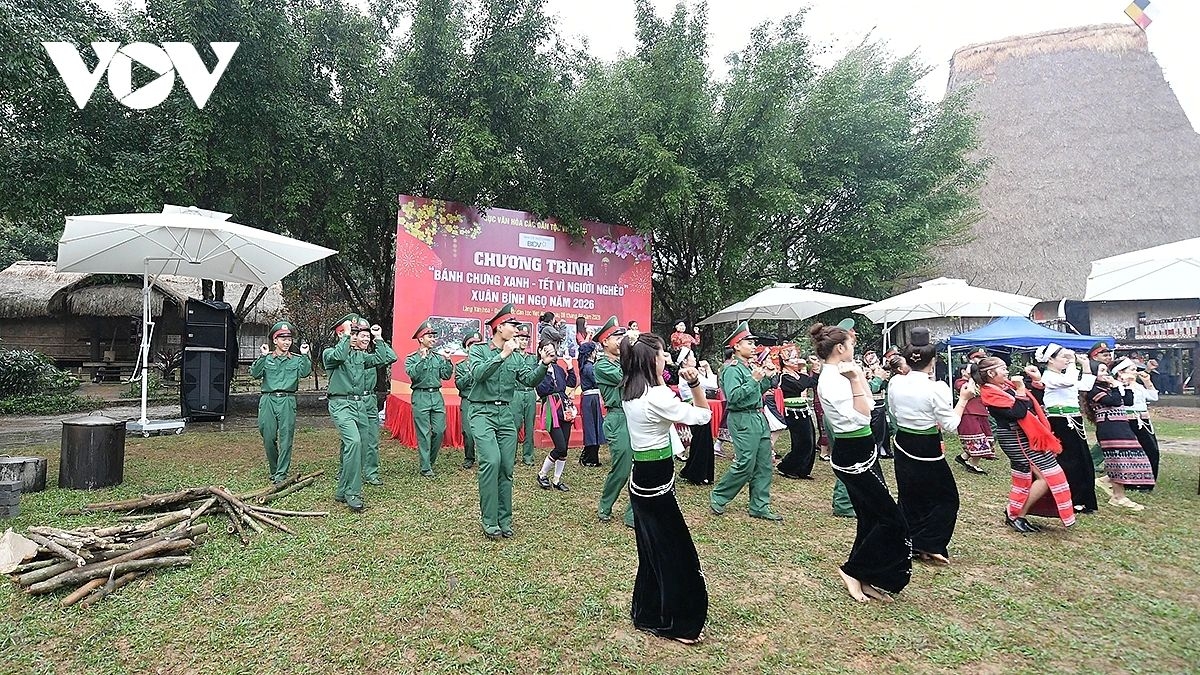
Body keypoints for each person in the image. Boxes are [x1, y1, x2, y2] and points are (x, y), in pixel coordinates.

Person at [620, 332, 712, 644]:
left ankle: (649, 611)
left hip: (643, 475)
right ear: (652, 360)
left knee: (652, 550)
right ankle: (680, 622)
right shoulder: (656, 397)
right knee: (675, 551)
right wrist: (697, 385)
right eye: (662, 354)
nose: (667, 358)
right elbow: (703, 416)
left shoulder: (632, 389)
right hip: (656, 479)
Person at [812, 320, 910, 602]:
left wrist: (858, 379)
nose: (854, 348)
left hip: (862, 446)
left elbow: (871, 402)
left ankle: (866, 576)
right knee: (891, 519)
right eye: (851, 344)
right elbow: (864, 413)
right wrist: (857, 380)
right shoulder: (831, 380)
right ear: (840, 348)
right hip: (852, 451)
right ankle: (853, 570)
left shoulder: (843, 372)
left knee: (870, 517)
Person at [466, 304, 554, 539]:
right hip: (481, 412)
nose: (516, 330)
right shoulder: (479, 350)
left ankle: (504, 520)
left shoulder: (516, 357)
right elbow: (477, 375)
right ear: (498, 327)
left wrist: (543, 364)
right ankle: (489, 520)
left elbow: (529, 379)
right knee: (491, 462)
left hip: (505, 414)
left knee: (506, 467)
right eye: (512, 326)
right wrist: (502, 354)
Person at [888, 328, 974, 564]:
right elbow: (950, 425)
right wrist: (964, 400)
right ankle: (929, 541)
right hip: (926, 444)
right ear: (934, 360)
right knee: (947, 498)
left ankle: (910, 539)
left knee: (909, 494)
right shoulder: (937, 388)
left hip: (904, 440)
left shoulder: (895, 383)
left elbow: (894, 412)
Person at [974, 356, 1076, 532]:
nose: (1007, 371)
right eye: (1003, 368)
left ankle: (1015, 512)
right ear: (991, 373)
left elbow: (1031, 403)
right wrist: (1021, 389)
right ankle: (1016, 514)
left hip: (1025, 437)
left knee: (1039, 476)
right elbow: (1018, 413)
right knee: (1045, 477)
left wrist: (1035, 381)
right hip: (1016, 439)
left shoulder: (1005, 387)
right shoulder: (989, 392)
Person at [709, 321, 783, 521]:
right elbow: (733, 397)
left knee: (764, 463)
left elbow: (757, 392)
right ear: (736, 347)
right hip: (742, 417)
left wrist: (767, 378)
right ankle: (719, 496)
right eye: (748, 342)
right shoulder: (732, 369)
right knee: (745, 463)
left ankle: (759, 505)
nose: (753, 346)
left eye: (753, 343)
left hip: (757, 416)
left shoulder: (750, 367)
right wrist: (755, 379)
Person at [1036, 344, 1098, 513]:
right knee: (1069, 461)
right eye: (1063, 357)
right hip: (1060, 421)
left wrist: (1085, 365)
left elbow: (1084, 386)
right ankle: (1070, 498)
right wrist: (1072, 363)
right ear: (1051, 359)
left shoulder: (1062, 376)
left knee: (1082, 459)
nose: (1067, 360)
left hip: (1074, 419)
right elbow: (1069, 381)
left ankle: (1084, 498)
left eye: (1067, 357)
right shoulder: (1048, 377)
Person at [249, 320, 312, 485]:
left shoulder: (297, 359)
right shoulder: (267, 358)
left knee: (286, 438)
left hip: (287, 400)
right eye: (283, 339)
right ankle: (275, 468)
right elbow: (255, 373)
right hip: (268, 399)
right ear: (275, 340)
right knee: (268, 436)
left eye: (289, 339)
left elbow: (305, 372)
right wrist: (262, 356)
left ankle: (281, 473)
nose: (287, 342)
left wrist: (305, 355)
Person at [322, 316, 375, 512]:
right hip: (340, 404)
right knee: (353, 442)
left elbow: (386, 358)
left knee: (358, 448)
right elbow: (338, 357)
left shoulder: (359, 356)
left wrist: (377, 338)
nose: (354, 337)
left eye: (355, 333)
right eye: (351, 333)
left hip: (359, 405)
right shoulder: (330, 353)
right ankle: (353, 493)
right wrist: (345, 338)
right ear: (340, 334)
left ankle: (342, 490)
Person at [1085, 361, 1155, 509]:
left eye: (1106, 371)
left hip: (1120, 425)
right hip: (1109, 427)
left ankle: (1108, 482)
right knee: (1117, 460)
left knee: (1131, 457)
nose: (1106, 374)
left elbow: (1128, 402)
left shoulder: (1108, 388)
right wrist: (1117, 386)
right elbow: (1115, 401)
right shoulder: (1093, 390)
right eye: (1102, 371)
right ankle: (1118, 496)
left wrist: (1128, 385)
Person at [595, 317, 635, 527]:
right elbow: (626, 377)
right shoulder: (602, 366)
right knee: (622, 467)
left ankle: (633, 513)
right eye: (616, 337)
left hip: (635, 415)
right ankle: (605, 505)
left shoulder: (625, 360)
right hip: (618, 417)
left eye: (622, 336)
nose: (621, 341)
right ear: (604, 342)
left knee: (640, 466)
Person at [404, 319, 452, 478]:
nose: (433, 340)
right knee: (424, 433)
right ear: (420, 339)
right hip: (421, 396)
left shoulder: (438, 357)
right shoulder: (412, 358)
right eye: (429, 337)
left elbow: (445, 375)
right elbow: (413, 375)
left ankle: (429, 461)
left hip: (436, 396)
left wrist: (447, 361)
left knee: (439, 430)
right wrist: (423, 360)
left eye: (434, 337)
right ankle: (425, 467)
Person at [535, 341, 578, 491]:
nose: (551, 352)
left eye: (553, 350)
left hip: (564, 409)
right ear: (540, 351)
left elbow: (570, 384)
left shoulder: (558, 369)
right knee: (559, 446)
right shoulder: (538, 370)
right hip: (551, 409)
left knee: (564, 447)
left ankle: (557, 479)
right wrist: (545, 367)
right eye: (547, 350)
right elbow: (543, 390)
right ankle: (542, 474)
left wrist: (570, 366)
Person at [360, 318, 398, 484]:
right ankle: (346, 470)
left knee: (372, 439)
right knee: (352, 440)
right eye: (361, 335)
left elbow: (392, 357)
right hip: (353, 399)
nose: (365, 339)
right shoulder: (346, 356)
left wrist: (379, 338)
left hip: (370, 399)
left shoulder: (372, 357)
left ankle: (371, 473)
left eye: (367, 336)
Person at [1115, 358, 1160, 487]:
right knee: (1134, 452)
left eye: (1135, 369)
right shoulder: (1117, 385)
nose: (1135, 372)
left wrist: (1147, 381)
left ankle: (1149, 480)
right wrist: (1126, 384)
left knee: (1152, 449)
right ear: (1120, 372)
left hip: (1144, 420)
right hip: (1130, 420)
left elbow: (1153, 397)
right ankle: (1134, 481)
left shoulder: (1138, 385)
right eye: (1132, 370)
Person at [776, 345, 818, 480]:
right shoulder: (783, 377)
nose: (796, 361)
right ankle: (787, 466)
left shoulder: (797, 375)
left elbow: (812, 382)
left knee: (810, 439)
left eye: (796, 358)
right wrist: (805, 375)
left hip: (803, 410)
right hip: (792, 412)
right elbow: (800, 385)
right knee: (802, 441)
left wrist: (815, 368)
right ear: (785, 362)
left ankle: (803, 469)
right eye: (792, 359)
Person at [678, 348, 716, 485]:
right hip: (697, 409)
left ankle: (695, 471)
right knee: (702, 442)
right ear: (685, 361)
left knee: (700, 441)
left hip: (696, 408)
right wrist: (709, 369)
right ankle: (697, 473)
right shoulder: (689, 374)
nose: (695, 359)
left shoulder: (690, 373)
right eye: (692, 357)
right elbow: (713, 385)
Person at [953, 348, 994, 475]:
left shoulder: (980, 382)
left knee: (985, 438)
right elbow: (969, 391)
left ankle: (964, 457)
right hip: (968, 413)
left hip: (981, 412)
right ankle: (973, 464)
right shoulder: (960, 382)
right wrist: (971, 376)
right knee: (976, 439)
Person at [455, 330, 483, 469]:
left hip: (483, 401)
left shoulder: (487, 363)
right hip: (467, 400)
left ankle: (485, 457)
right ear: (466, 347)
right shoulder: (461, 365)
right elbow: (459, 384)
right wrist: (471, 373)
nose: (474, 346)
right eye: (471, 344)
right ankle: (469, 457)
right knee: (468, 432)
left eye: (477, 344)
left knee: (485, 432)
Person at [512, 326, 539, 466]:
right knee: (514, 425)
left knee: (529, 426)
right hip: (516, 393)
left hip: (529, 393)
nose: (524, 342)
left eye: (526, 340)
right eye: (521, 339)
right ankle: (511, 455)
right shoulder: (512, 357)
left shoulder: (533, 358)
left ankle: (528, 456)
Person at [577, 340, 605, 467]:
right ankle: (590, 457)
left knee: (592, 426)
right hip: (591, 398)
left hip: (590, 398)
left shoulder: (586, 366)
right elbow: (597, 380)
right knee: (592, 427)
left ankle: (590, 455)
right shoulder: (589, 367)